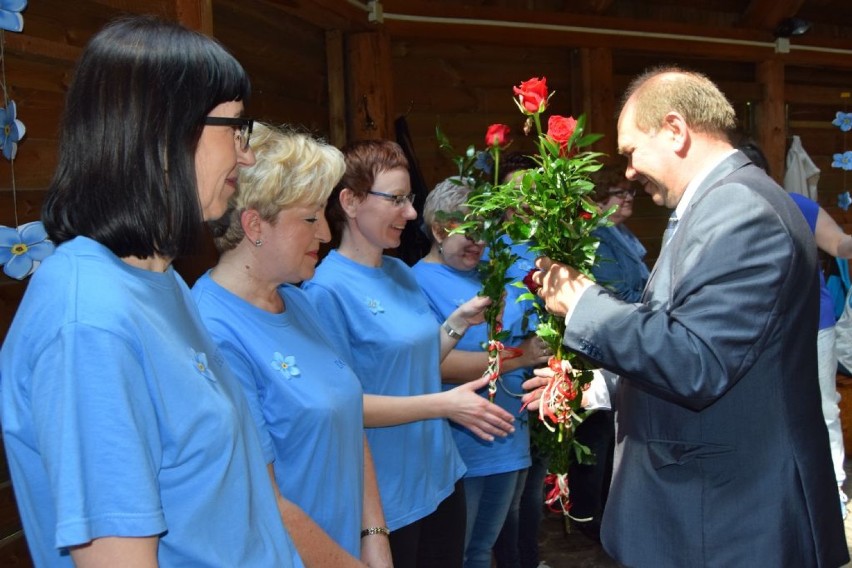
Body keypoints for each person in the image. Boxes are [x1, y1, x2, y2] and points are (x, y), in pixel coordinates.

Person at [0, 16, 300, 566]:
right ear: (163, 130)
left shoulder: (158, 279)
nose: (247, 154)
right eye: (234, 128)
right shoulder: (89, 323)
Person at [527, 67, 848, 567]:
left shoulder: (742, 210)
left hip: (730, 516)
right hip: (712, 506)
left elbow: (698, 362)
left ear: (675, 130)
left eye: (631, 151)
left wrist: (584, 302)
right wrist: (598, 386)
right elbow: (701, 337)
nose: (629, 171)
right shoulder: (719, 204)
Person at [303, 139, 516, 568]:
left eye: (410, 199)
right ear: (349, 202)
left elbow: (416, 362)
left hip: (440, 475)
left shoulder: (399, 271)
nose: (412, 214)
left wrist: (457, 322)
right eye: (396, 200)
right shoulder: (325, 290)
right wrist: (444, 405)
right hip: (388, 494)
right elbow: (346, 407)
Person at [192, 123, 391, 567]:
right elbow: (262, 501)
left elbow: (349, 420)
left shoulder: (299, 303)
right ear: (254, 225)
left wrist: (375, 539)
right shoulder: (211, 328)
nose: (324, 233)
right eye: (310, 218)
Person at [411, 177, 549, 568]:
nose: (479, 242)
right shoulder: (415, 281)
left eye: (486, 232)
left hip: (509, 432)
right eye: (468, 231)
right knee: (455, 551)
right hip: (462, 442)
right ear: (439, 229)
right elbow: (439, 365)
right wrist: (521, 357)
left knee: (482, 549)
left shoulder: (490, 274)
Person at [739, 137, 852, 518]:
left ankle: (832, 485)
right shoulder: (726, 211)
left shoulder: (796, 205)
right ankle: (776, 486)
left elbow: (838, 245)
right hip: (755, 326)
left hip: (812, 324)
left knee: (822, 405)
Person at [490, 152, 551, 568]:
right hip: (509, 378)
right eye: (517, 191)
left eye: (534, 190)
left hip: (546, 376)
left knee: (534, 487)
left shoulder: (549, 242)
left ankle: (530, 559)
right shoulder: (490, 250)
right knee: (508, 497)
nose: (526, 200)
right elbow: (498, 318)